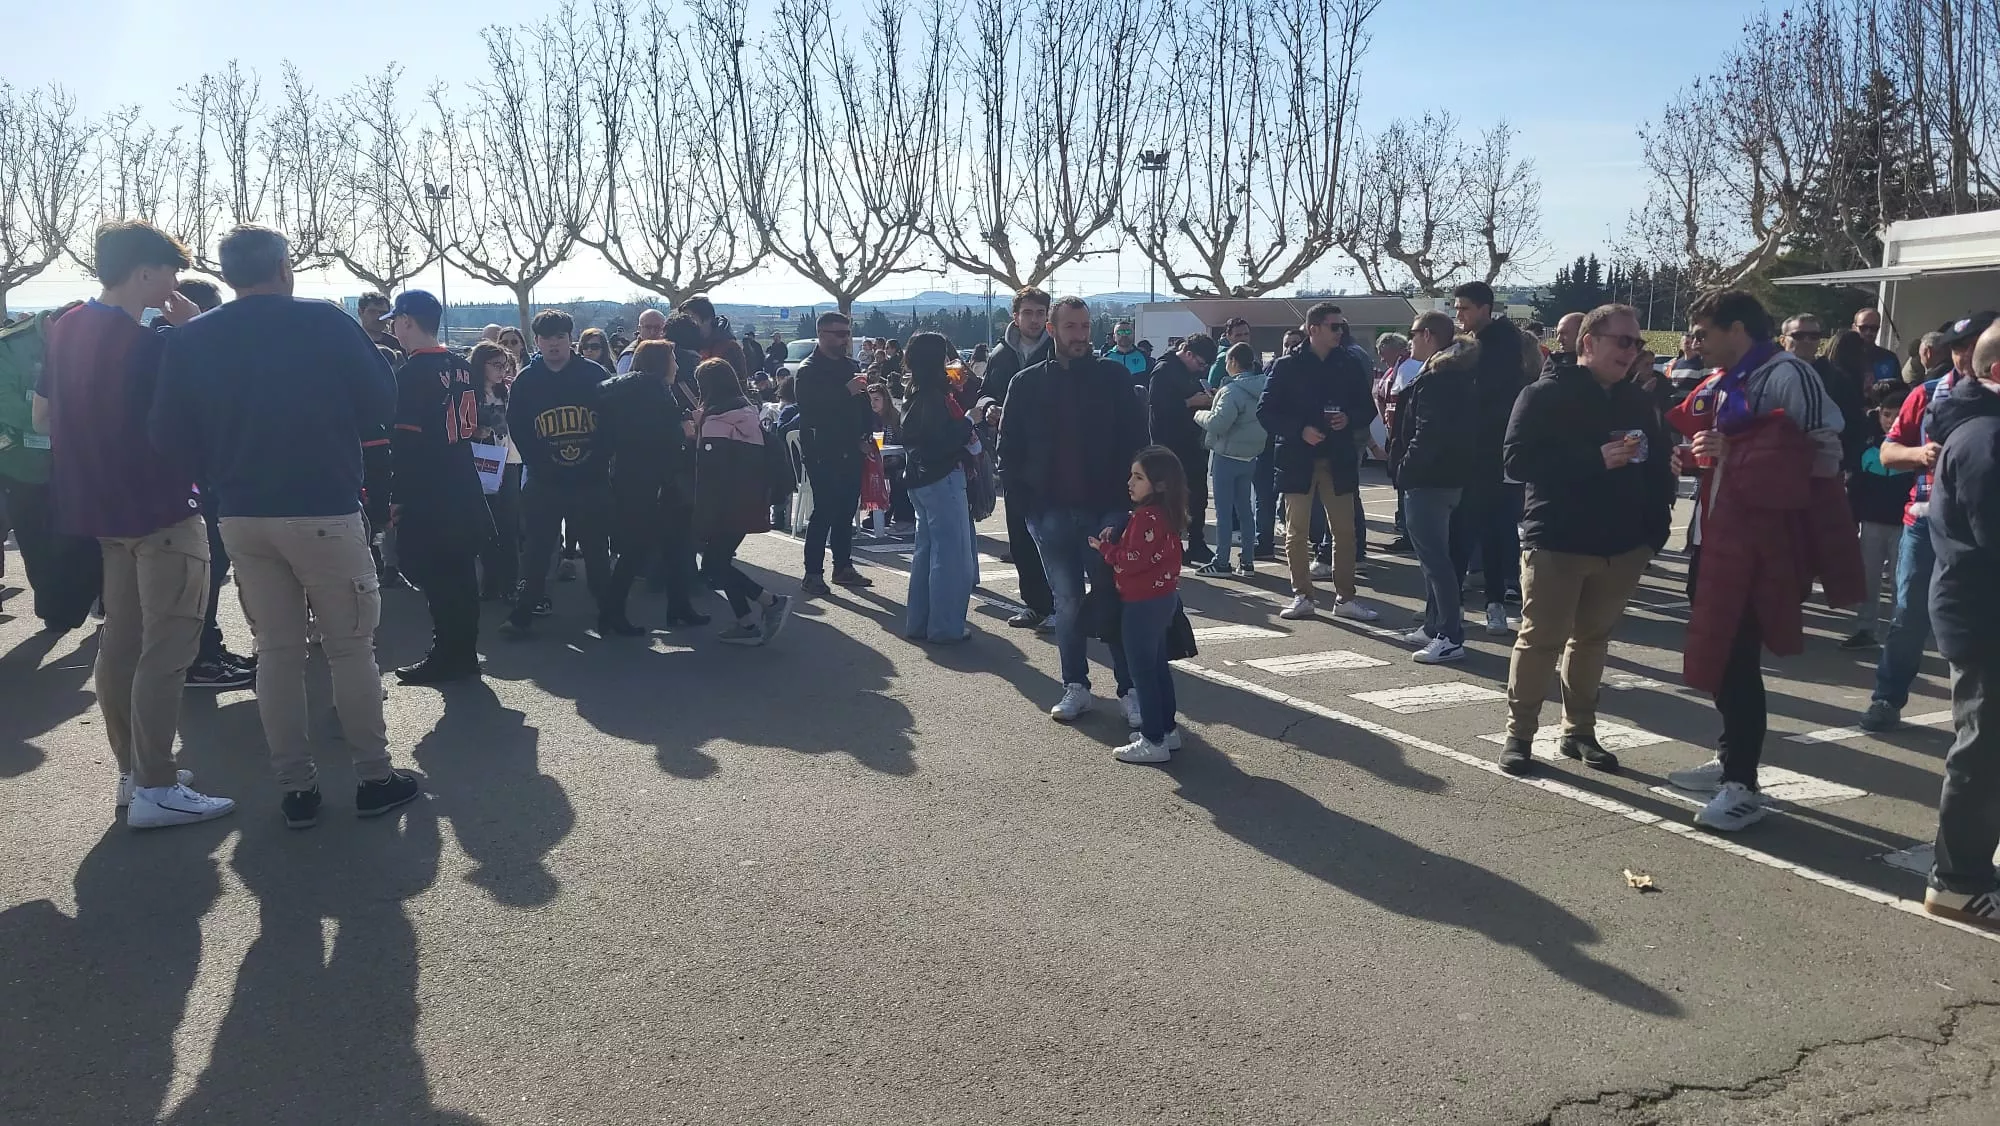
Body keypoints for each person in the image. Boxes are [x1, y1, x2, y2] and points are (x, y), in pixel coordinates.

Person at [153, 224, 417, 828]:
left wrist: (218, 472)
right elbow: (382, 403)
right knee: (350, 647)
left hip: (242, 512)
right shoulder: (324, 321)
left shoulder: (193, 338)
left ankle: (296, 788)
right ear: (283, 267)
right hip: (323, 505)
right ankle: (374, 776)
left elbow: (166, 434)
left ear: (227, 273)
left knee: (276, 652)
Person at [37, 221, 234, 828]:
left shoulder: (65, 327)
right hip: (162, 510)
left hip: (101, 510)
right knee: (167, 648)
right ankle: (155, 783)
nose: (174, 284)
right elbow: (205, 414)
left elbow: (43, 417)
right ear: (145, 271)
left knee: (120, 643)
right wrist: (193, 329)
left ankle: (134, 771)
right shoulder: (150, 345)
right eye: (170, 271)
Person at [1664, 289, 1851, 831]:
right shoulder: (1725, 378)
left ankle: (1742, 785)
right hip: (1714, 529)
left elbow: (1822, 455)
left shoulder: (1788, 374)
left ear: (1737, 329)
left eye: (1704, 332)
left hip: (1760, 538)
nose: (1696, 343)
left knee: (1737, 656)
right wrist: (1696, 458)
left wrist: (1735, 455)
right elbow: (1726, 447)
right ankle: (1730, 759)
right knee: (1719, 649)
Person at [1496, 304, 1677, 773]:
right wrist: (1593, 459)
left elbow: (1659, 466)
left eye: (1637, 343)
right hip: (1558, 540)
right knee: (1540, 640)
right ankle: (1519, 735)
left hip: (1623, 546)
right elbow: (1517, 462)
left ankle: (1578, 731)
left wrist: (1653, 533)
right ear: (1589, 342)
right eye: (1624, 341)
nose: (1632, 351)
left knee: (1592, 640)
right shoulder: (1544, 393)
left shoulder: (1638, 400)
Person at [998, 295, 1150, 722]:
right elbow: (1008, 448)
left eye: (1085, 326)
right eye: (1071, 327)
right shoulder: (1026, 383)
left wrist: (1132, 501)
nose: (1080, 335)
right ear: (1052, 330)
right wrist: (1027, 506)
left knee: (1111, 597)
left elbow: (1137, 439)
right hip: (1049, 512)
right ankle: (1076, 686)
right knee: (1066, 602)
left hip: (1106, 509)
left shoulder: (1113, 378)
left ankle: (1129, 690)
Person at [1857, 312, 1994, 732]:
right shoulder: (1928, 393)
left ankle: (1974, 718)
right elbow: (1887, 452)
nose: (1963, 355)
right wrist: (1920, 454)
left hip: (1984, 526)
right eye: (1956, 347)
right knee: (1908, 615)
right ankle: (1887, 698)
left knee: (1979, 622)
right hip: (1926, 522)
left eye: (1972, 345)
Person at [1919, 319, 2000, 931]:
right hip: (1983, 616)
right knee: (1985, 747)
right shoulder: (1986, 438)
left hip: (1978, 608)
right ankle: (1958, 881)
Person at [379, 291, 491, 683]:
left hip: (430, 488)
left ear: (407, 321)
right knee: (461, 574)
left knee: (438, 576)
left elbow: (407, 443)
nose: (394, 328)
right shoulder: (461, 365)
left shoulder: (412, 373)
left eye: (396, 321)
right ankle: (464, 652)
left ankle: (448, 654)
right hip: (462, 477)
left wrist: (397, 496)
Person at [1256, 301, 1380, 623]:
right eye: (1334, 326)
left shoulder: (1348, 364)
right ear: (1313, 329)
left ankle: (1346, 597)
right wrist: (1300, 429)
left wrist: (1348, 418)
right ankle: (1302, 595)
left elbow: (1367, 408)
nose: (1340, 332)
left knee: (1345, 531)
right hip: (1297, 458)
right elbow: (1265, 411)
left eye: (1342, 326)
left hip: (1338, 457)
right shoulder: (1286, 366)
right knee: (1296, 532)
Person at [500, 309, 617, 638]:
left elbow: (612, 423)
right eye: (547, 338)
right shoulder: (526, 380)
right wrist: (539, 463)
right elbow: (518, 426)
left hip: (590, 479)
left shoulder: (594, 375)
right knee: (537, 551)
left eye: (560, 337)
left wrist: (598, 460)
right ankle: (523, 613)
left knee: (596, 549)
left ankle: (609, 612)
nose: (554, 344)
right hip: (544, 480)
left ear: (571, 339)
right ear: (536, 341)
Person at [168, 280, 257, 690]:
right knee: (205, 575)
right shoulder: (186, 351)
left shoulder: (174, 347)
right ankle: (200, 660)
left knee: (208, 575)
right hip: (201, 483)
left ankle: (208, 650)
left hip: (200, 480)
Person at [0, 302, 104, 634]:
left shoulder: (98, 342)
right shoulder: (10, 346)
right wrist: (62, 421)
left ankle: (83, 600)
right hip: (24, 464)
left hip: (79, 464)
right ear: (52, 325)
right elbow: (6, 403)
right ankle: (54, 609)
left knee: (86, 538)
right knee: (37, 541)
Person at [1388, 312, 1481, 665]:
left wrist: (1405, 470)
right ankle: (1434, 626)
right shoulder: (1458, 373)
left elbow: (1427, 432)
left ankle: (1449, 635)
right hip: (1452, 476)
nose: (1409, 341)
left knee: (1435, 561)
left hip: (1430, 480)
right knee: (1439, 559)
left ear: (1427, 335)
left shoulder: (1438, 378)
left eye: (1412, 334)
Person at [600, 338, 705, 633]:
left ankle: (678, 607)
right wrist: (684, 429)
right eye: (673, 360)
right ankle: (614, 614)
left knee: (670, 547)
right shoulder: (653, 392)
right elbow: (657, 437)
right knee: (644, 549)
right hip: (654, 481)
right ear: (661, 364)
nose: (677, 366)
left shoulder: (625, 390)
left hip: (634, 478)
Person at [1093, 446, 1187, 764]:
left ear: (1160, 484)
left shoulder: (1147, 516)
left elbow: (1133, 559)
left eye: (1139, 477)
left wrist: (1106, 549)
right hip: (1162, 599)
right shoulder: (1164, 513)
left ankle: (1153, 740)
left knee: (1142, 672)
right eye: (1132, 476)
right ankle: (1166, 730)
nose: (1130, 483)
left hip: (1142, 603)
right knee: (1157, 667)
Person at [690, 357, 793, 645]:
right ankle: (745, 622)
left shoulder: (715, 421)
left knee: (714, 565)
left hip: (724, 504)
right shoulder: (747, 413)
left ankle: (770, 602)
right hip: (749, 499)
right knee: (720, 561)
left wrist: (702, 518)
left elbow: (711, 474)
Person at [1449, 280, 1530, 637]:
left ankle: (1493, 603)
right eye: (1457, 308)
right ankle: (1451, 605)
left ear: (1485, 308)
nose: (1460, 315)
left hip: (1492, 451)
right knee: (1465, 529)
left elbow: (1489, 395)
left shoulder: (1500, 344)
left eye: (1465, 308)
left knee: (1490, 528)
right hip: (1473, 450)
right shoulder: (1473, 342)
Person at [985, 288, 1057, 628]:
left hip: (1052, 457)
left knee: (1053, 536)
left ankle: (1059, 605)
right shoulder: (1000, 354)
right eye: (1027, 312)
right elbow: (985, 392)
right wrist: (989, 407)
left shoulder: (1056, 351)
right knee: (1020, 535)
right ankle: (1035, 604)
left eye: (1040, 312)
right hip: (1013, 456)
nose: (1034, 319)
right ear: (1015, 316)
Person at [899, 332, 977, 644]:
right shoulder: (933, 396)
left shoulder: (915, 391)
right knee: (951, 557)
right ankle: (945, 626)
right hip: (942, 477)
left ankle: (920, 622)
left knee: (927, 552)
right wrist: (968, 423)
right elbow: (938, 443)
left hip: (921, 481)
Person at [795, 311, 877, 597]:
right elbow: (811, 409)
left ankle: (843, 567)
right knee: (825, 510)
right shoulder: (809, 370)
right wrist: (845, 391)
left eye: (847, 333)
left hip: (850, 448)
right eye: (839, 334)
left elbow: (861, 405)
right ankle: (812, 573)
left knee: (846, 509)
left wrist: (866, 434)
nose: (845, 339)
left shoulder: (850, 366)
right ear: (821, 335)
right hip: (822, 449)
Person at [1844, 379, 1915, 651]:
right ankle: (1865, 628)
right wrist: (1853, 516)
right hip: (1871, 521)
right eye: (1886, 415)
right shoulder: (1866, 441)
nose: (1891, 421)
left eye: (1897, 415)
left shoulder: (1915, 445)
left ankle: (1900, 634)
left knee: (1901, 581)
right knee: (1868, 578)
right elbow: (1855, 482)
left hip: (1903, 523)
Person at [1193, 341, 1267, 576]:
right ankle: (1247, 560)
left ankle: (1222, 561)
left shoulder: (1232, 390)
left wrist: (1199, 413)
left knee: (1224, 513)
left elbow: (1218, 423)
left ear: (1233, 362)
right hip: (1250, 456)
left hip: (1227, 456)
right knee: (1245, 510)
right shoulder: (1263, 386)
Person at [1148, 333, 1217, 564]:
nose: (1202, 369)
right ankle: (1171, 545)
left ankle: (1196, 542)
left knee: (1197, 496)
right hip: (1168, 445)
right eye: (1200, 363)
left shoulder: (1192, 373)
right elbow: (1158, 406)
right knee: (1170, 498)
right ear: (1188, 353)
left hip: (1192, 443)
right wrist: (1189, 402)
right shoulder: (1164, 370)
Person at [468, 341, 522, 602]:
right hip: (481, 464)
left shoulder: (508, 393)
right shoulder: (469, 394)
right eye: (497, 365)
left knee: (509, 525)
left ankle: (510, 583)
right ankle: (489, 583)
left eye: (506, 366)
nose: (502, 371)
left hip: (509, 462)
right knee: (486, 525)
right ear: (481, 365)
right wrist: (474, 431)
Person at [1373, 331, 1418, 551]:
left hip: (1403, 436)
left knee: (1406, 484)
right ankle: (1405, 527)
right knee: (1400, 483)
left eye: (1383, 352)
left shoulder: (1409, 367)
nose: (1381, 358)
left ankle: (1410, 533)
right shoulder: (1395, 369)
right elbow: (1381, 397)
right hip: (1395, 434)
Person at [1851, 306, 1904, 388]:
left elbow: (1898, 389)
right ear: (1854, 328)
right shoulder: (1845, 357)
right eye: (1863, 328)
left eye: (1873, 328)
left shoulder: (1890, 358)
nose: (1868, 332)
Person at [1206, 317, 1253, 389]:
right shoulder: (1223, 359)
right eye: (1238, 335)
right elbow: (1212, 387)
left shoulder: (1252, 356)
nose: (1243, 338)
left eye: (1246, 334)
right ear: (1228, 336)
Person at [616, 309, 666, 373]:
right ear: (639, 329)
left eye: (657, 327)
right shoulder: (629, 357)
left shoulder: (669, 351)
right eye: (648, 327)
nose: (652, 332)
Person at [357, 292, 403, 359]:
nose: (378, 316)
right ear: (360, 312)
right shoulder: (351, 342)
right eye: (372, 312)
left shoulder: (398, 344)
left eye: (383, 313)